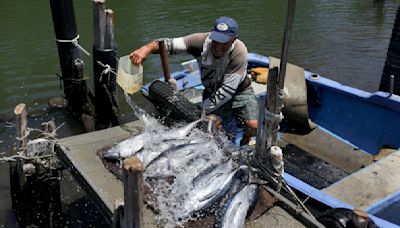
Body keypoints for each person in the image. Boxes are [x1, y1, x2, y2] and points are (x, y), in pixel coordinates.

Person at [130, 16, 259, 145]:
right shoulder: (201, 41)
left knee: (253, 125)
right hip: (211, 91)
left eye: (224, 42)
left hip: (239, 91)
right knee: (212, 127)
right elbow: (166, 44)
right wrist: (146, 49)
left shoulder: (239, 51)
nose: (218, 46)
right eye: (216, 40)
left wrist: (199, 110)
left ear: (233, 40)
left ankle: (246, 140)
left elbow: (226, 91)